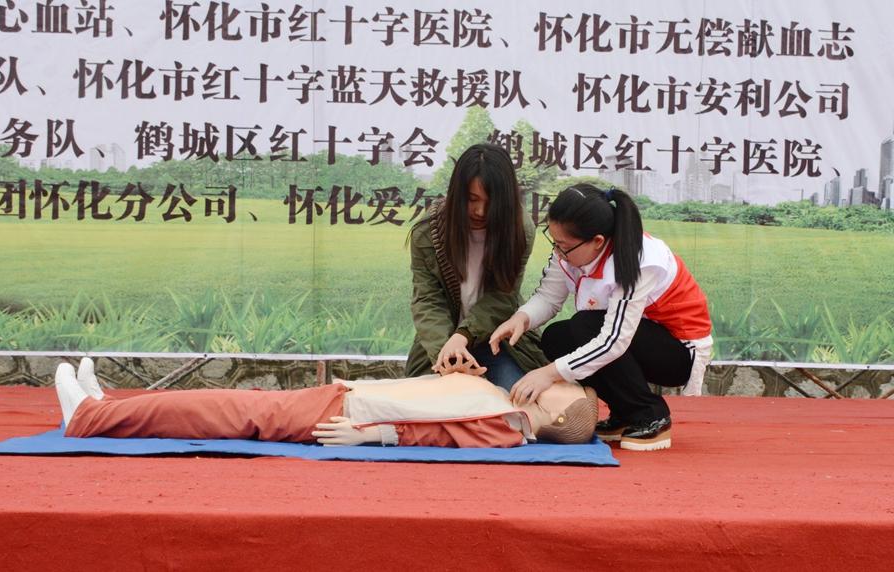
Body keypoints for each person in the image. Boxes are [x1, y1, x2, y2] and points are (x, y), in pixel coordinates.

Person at [489, 184, 713, 452]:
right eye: (554, 242)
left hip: (677, 353)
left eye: (564, 247)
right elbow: (549, 297)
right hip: (636, 339)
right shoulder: (570, 250)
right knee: (557, 337)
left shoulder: (639, 260)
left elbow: (614, 340)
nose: (558, 253)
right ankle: (624, 413)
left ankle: (651, 416)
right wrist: (520, 319)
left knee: (586, 327)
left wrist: (548, 374)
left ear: (597, 241)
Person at [54, 358, 598, 448]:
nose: (552, 379)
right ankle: (106, 408)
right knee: (227, 404)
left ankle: (91, 417)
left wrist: (373, 436)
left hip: (341, 414)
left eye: (560, 388)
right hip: (344, 399)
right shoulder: (502, 402)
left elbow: (440, 434)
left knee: (221, 409)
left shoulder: (507, 424)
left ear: (552, 415)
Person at [405, 143, 548, 392]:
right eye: (471, 199)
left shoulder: (519, 229)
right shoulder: (428, 231)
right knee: (428, 401)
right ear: (456, 193)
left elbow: (503, 296)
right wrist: (449, 355)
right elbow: (427, 301)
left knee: (514, 398)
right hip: (442, 340)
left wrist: (465, 335)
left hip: (497, 339)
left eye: (490, 202)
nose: (480, 211)